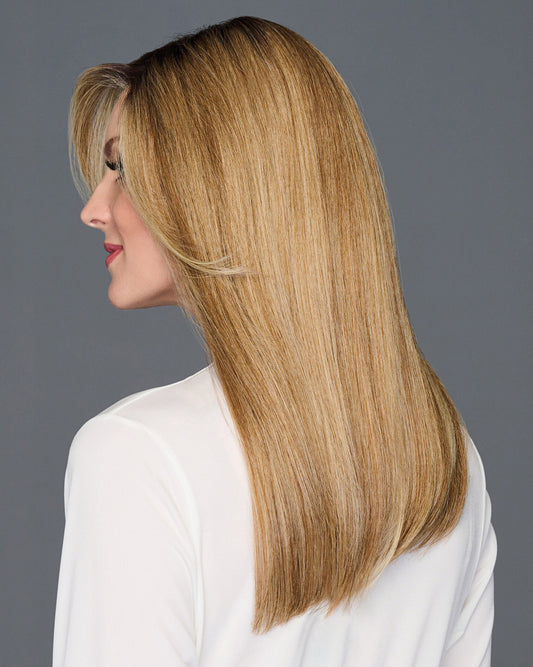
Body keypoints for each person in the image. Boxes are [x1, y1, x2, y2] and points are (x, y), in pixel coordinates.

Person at [52, 15, 497, 666]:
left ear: (218, 186)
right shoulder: (445, 458)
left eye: (124, 169)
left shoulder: (136, 453)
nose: (94, 207)